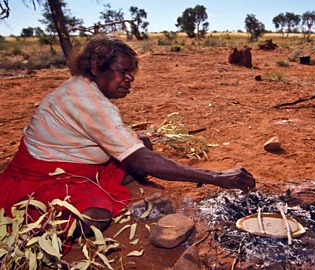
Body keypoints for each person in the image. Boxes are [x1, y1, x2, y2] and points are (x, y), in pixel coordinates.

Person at [0, 35, 256, 238]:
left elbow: (132, 149)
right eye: (123, 71)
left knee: (141, 144)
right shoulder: (86, 101)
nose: (130, 78)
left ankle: (101, 183)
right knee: (96, 216)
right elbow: (143, 161)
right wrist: (216, 177)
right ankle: (34, 228)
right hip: (40, 177)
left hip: (72, 162)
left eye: (131, 72)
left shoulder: (85, 89)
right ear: (97, 67)